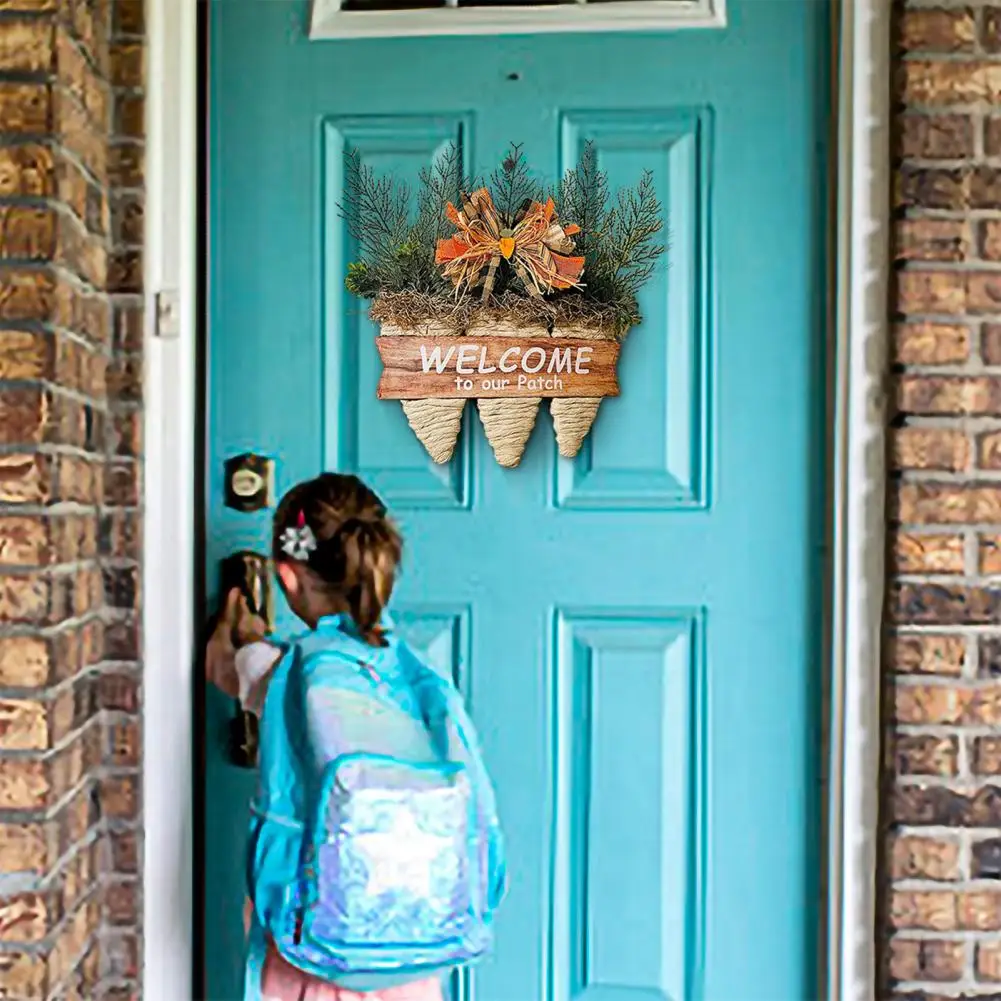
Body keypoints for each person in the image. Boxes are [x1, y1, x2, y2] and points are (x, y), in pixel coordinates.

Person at [206, 473, 502, 1001]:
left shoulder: (292, 673)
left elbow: (227, 668)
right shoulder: (424, 684)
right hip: (416, 958)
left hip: (314, 959)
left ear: (287, 578)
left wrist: (240, 628)